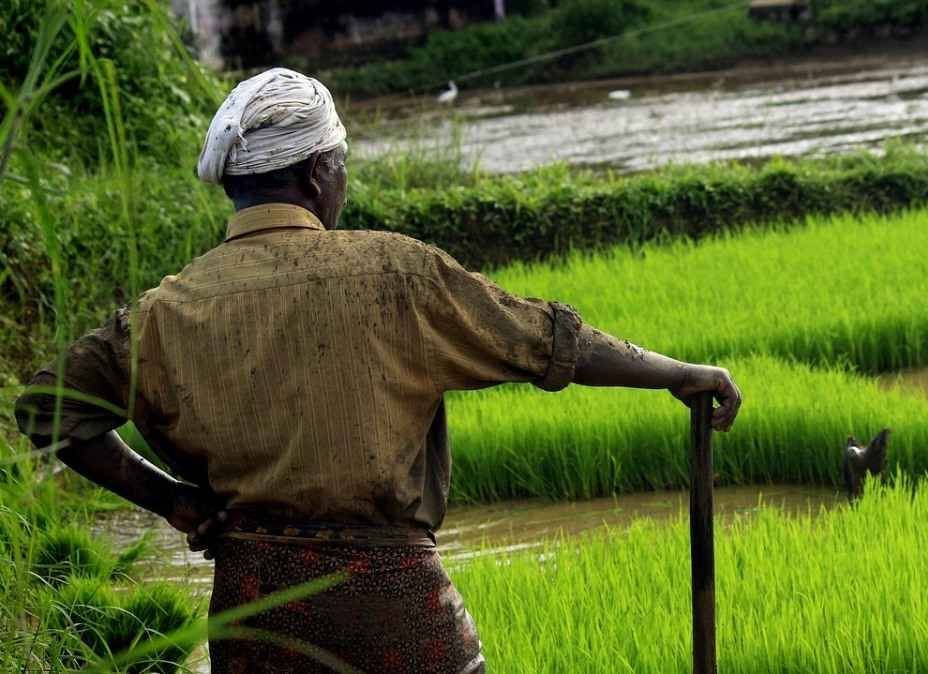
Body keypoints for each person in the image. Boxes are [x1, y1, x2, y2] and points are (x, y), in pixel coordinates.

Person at [14, 67, 742, 673]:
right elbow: (548, 341)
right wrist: (679, 372)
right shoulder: (392, 271)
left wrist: (172, 499)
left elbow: (46, 408)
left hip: (253, 613)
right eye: (342, 165)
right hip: (392, 606)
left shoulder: (163, 311)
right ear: (317, 172)